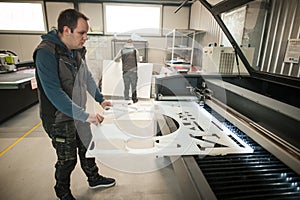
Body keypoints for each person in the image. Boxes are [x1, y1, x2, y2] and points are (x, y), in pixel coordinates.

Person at [33, 9, 115, 200]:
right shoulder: (46, 52)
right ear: (66, 30)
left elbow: (86, 76)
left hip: (78, 113)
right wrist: (86, 116)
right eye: (82, 33)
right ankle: (62, 191)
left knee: (88, 148)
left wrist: (100, 99)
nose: (86, 37)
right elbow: (54, 93)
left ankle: (93, 178)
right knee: (67, 159)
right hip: (58, 119)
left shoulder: (76, 51)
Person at [115, 39, 139, 103]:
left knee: (126, 86)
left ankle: (126, 99)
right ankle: (134, 99)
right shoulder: (135, 50)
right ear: (132, 43)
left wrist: (119, 60)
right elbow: (138, 60)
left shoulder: (122, 50)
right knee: (134, 86)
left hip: (125, 71)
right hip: (133, 71)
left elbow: (116, 59)